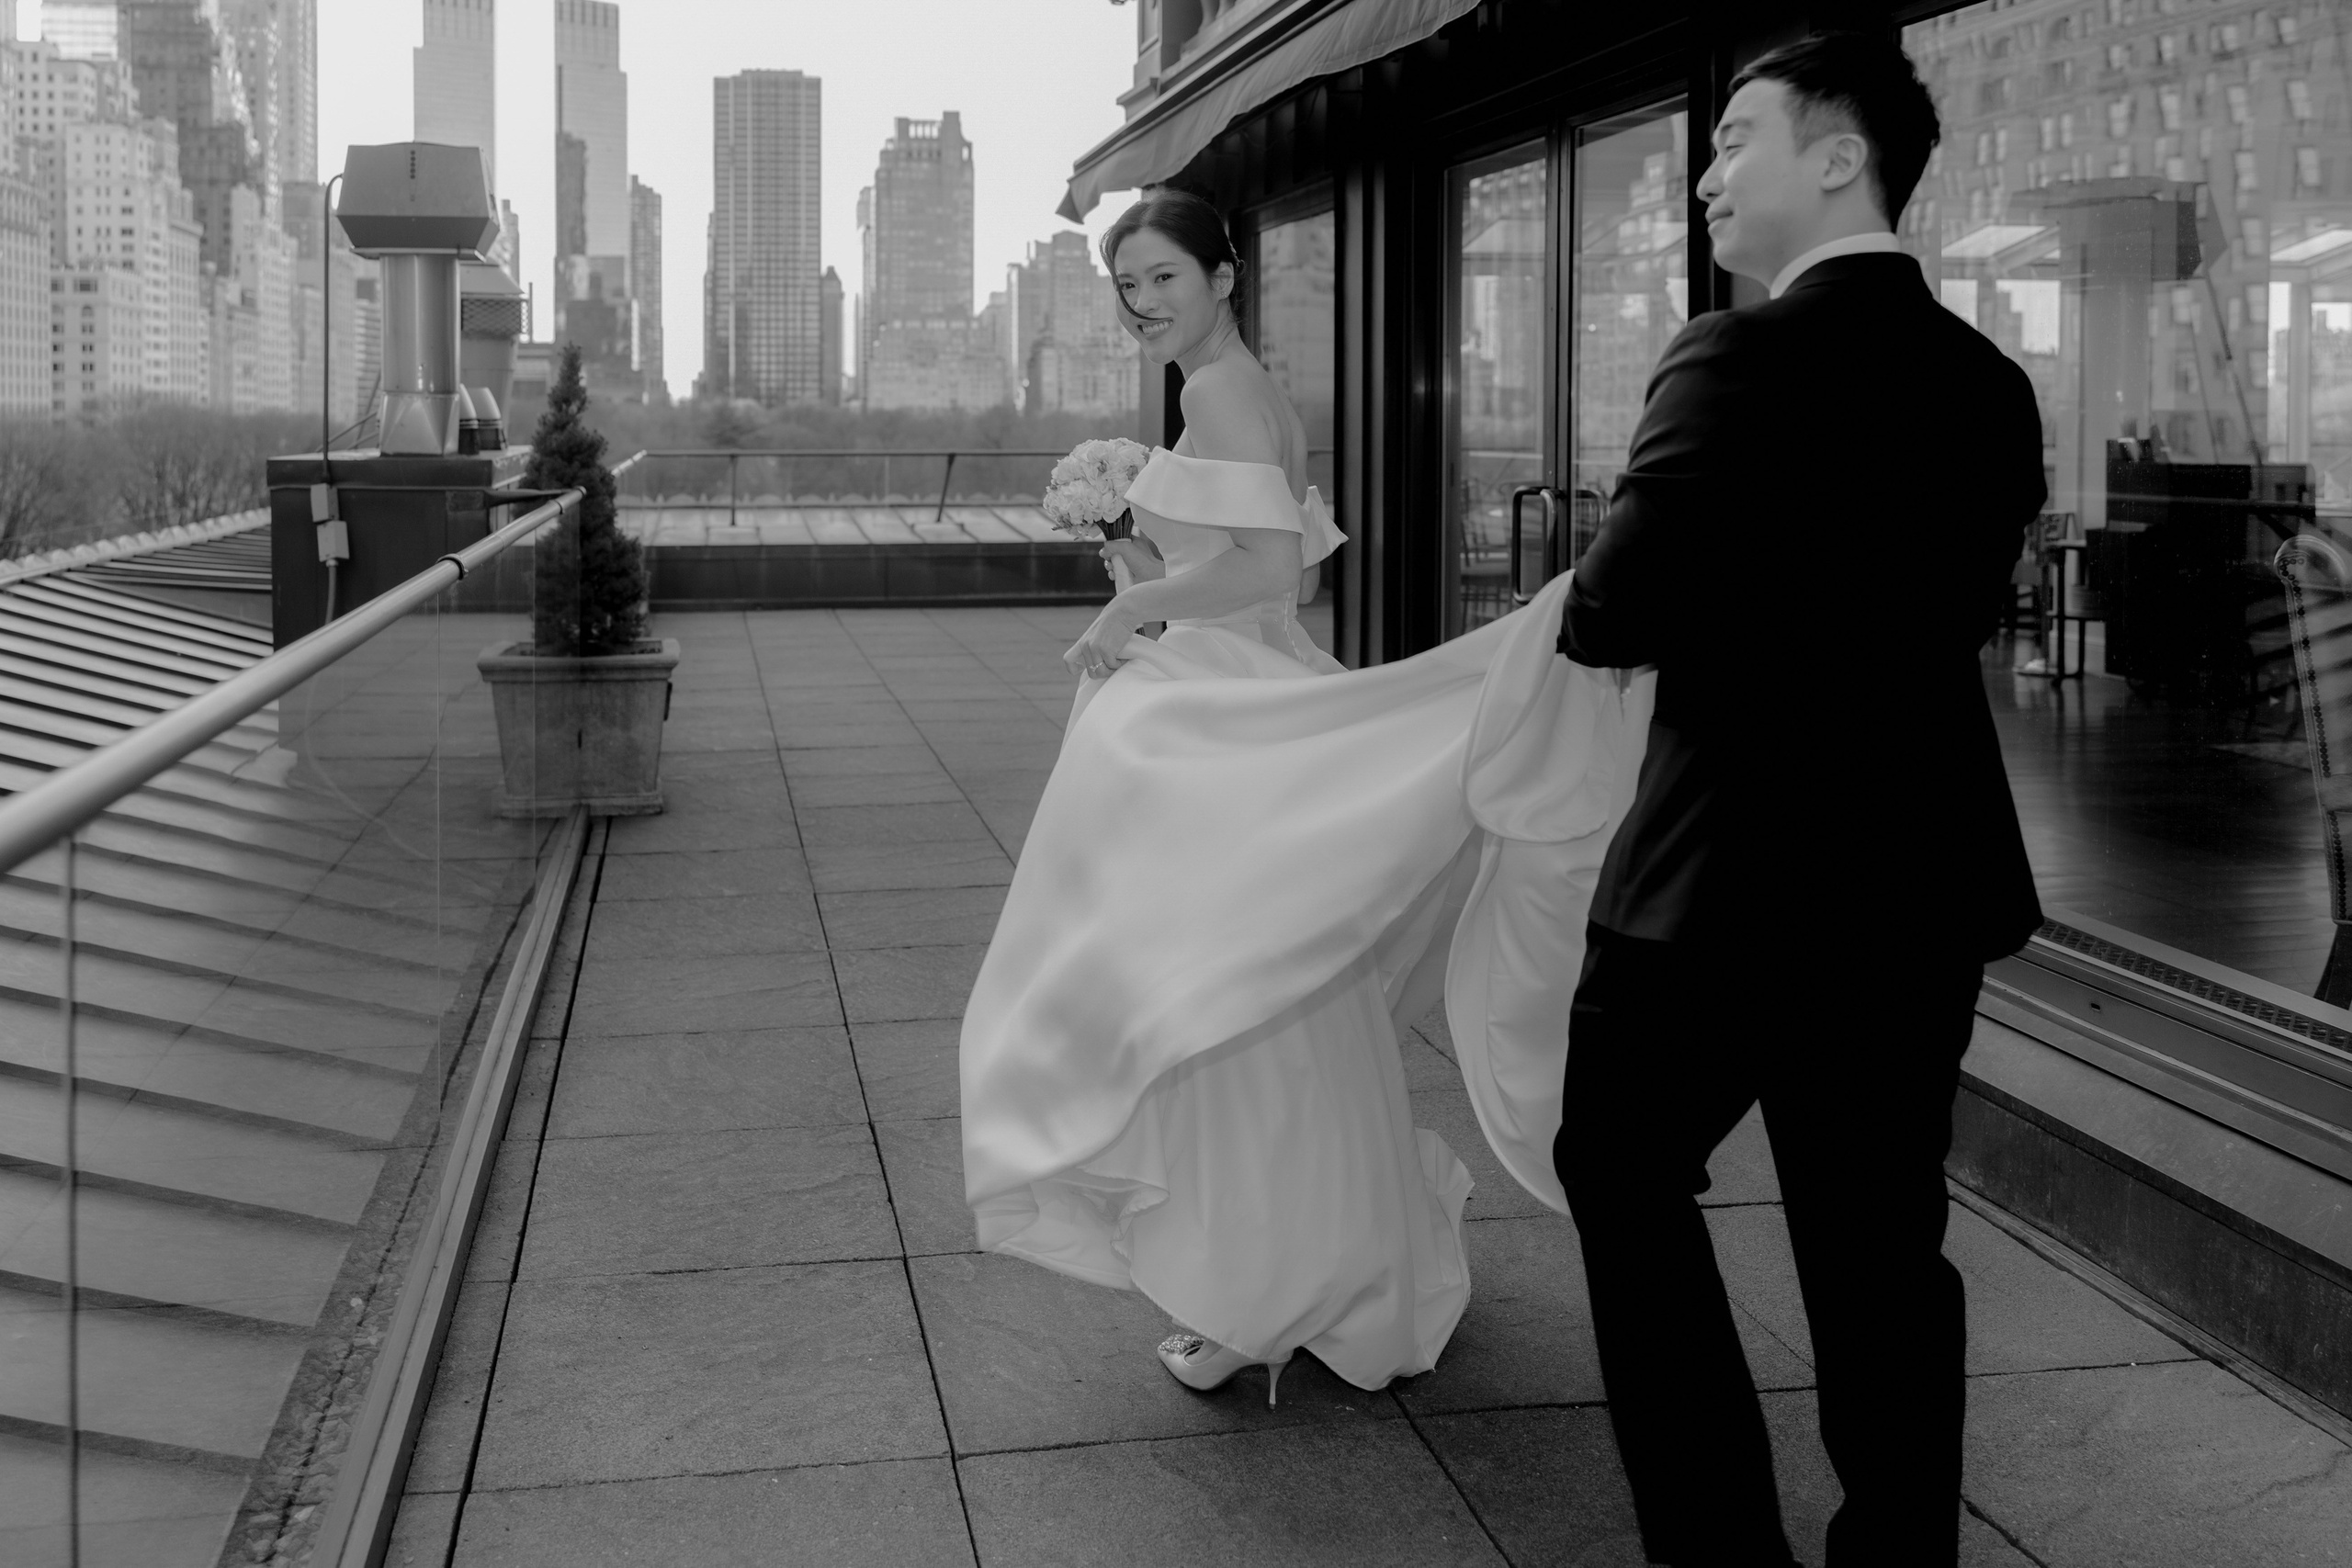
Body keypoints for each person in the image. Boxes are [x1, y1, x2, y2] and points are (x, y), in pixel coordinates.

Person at [1550, 34, 2045, 1568]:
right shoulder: (1989, 384)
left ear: (1841, 157)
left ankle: (1718, 1549)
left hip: (1719, 889)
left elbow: (1610, 612)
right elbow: (1947, 608)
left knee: (1621, 1177)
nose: (1705, 170)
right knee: (1880, 1244)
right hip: (1915, 881)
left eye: (1733, 139)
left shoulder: (1733, 355)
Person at [960, 189, 1478, 1402]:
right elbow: (1254, 580)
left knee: (1226, 999)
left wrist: (1131, 603)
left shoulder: (1217, 394)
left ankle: (1263, 1296)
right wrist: (1145, 560)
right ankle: (1325, 1266)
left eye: (1163, 280)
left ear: (1225, 275)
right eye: (1128, 286)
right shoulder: (1253, 390)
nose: (1142, 304)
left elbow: (1271, 566)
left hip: (1219, 714)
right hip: (1242, 684)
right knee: (1278, 996)